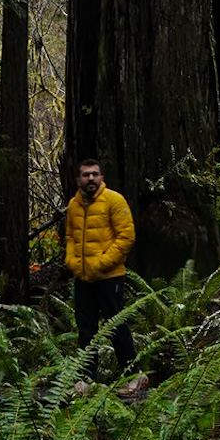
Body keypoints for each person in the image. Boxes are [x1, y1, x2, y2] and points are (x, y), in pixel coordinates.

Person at [65, 158, 143, 384]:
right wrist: (71, 261)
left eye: (95, 174)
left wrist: (101, 263)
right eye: (86, 174)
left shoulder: (114, 201)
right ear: (78, 179)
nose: (90, 178)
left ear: (101, 178)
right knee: (86, 329)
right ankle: (87, 380)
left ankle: (134, 376)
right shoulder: (73, 205)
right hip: (83, 278)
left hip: (109, 277)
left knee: (116, 326)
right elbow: (70, 237)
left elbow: (127, 238)